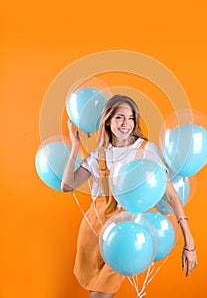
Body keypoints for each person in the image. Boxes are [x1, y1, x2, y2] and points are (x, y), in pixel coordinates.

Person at [61, 94, 197, 298]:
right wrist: (75, 148)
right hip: (94, 230)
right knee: (94, 290)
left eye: (131, 118)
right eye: (119, 117)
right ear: (107, 120)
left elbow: (170, 195)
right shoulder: (99, 154)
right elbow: (66, 185)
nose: (126, 123)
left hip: (126, 232)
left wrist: (190, 242)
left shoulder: (146, 150)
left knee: (99, 296)